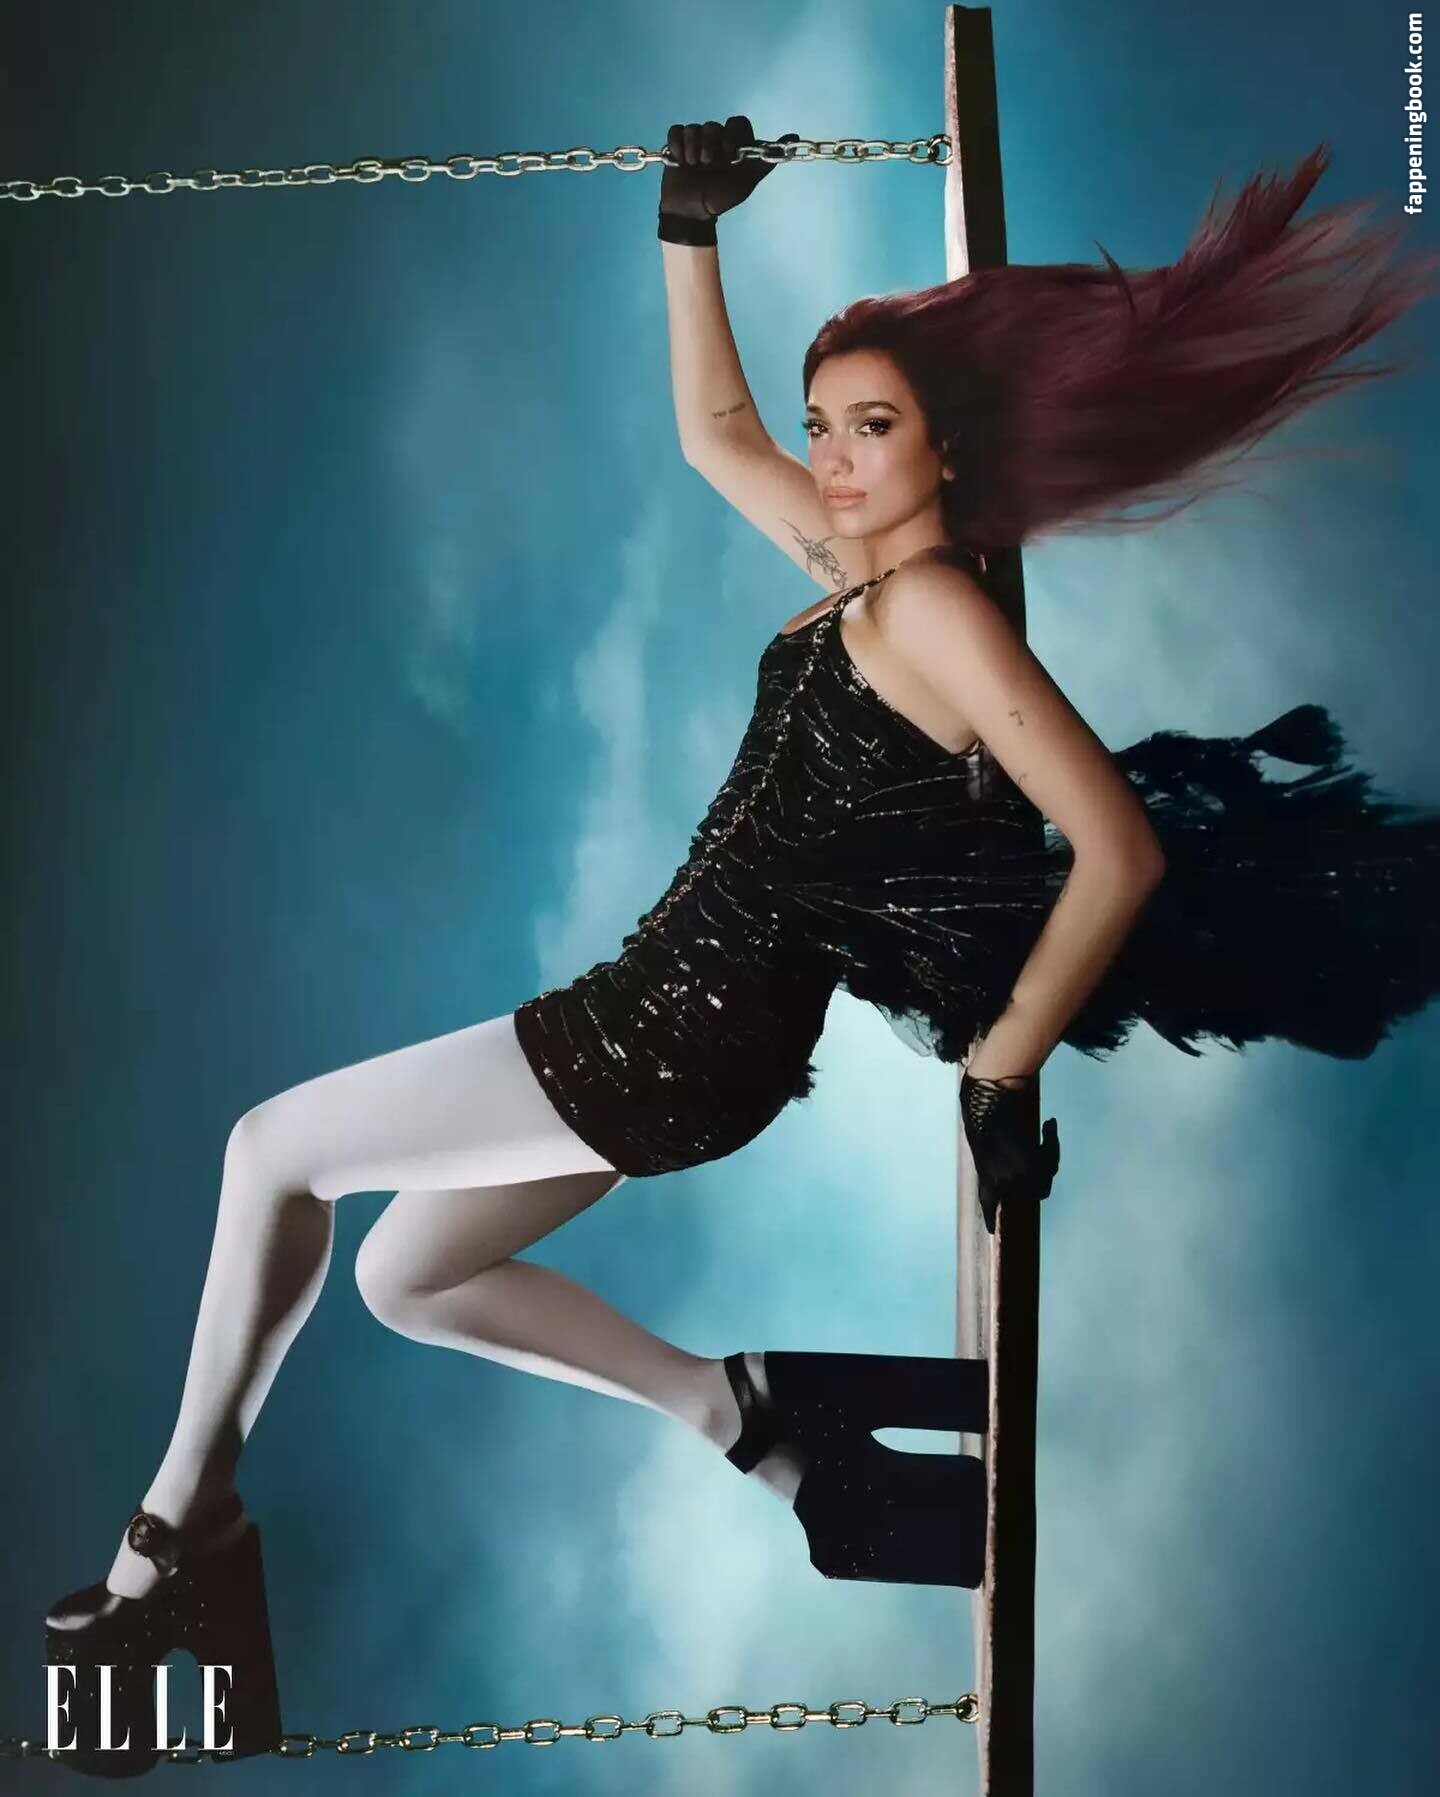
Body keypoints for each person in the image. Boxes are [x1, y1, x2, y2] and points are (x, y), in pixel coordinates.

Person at [43, 116, 1440, 1772]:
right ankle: (743, 1413)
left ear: (949, 449)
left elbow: (1117, 847)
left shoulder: (934, 609)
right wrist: (685, 229)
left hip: (672, 1032)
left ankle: (176, 1537)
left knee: (269, 1148)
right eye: (824, 425)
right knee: (409, 1277)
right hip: (669, 1024)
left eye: (872, 429)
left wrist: (1000, 1074)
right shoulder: (860, 579)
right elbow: (716, 434)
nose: (830, 460)